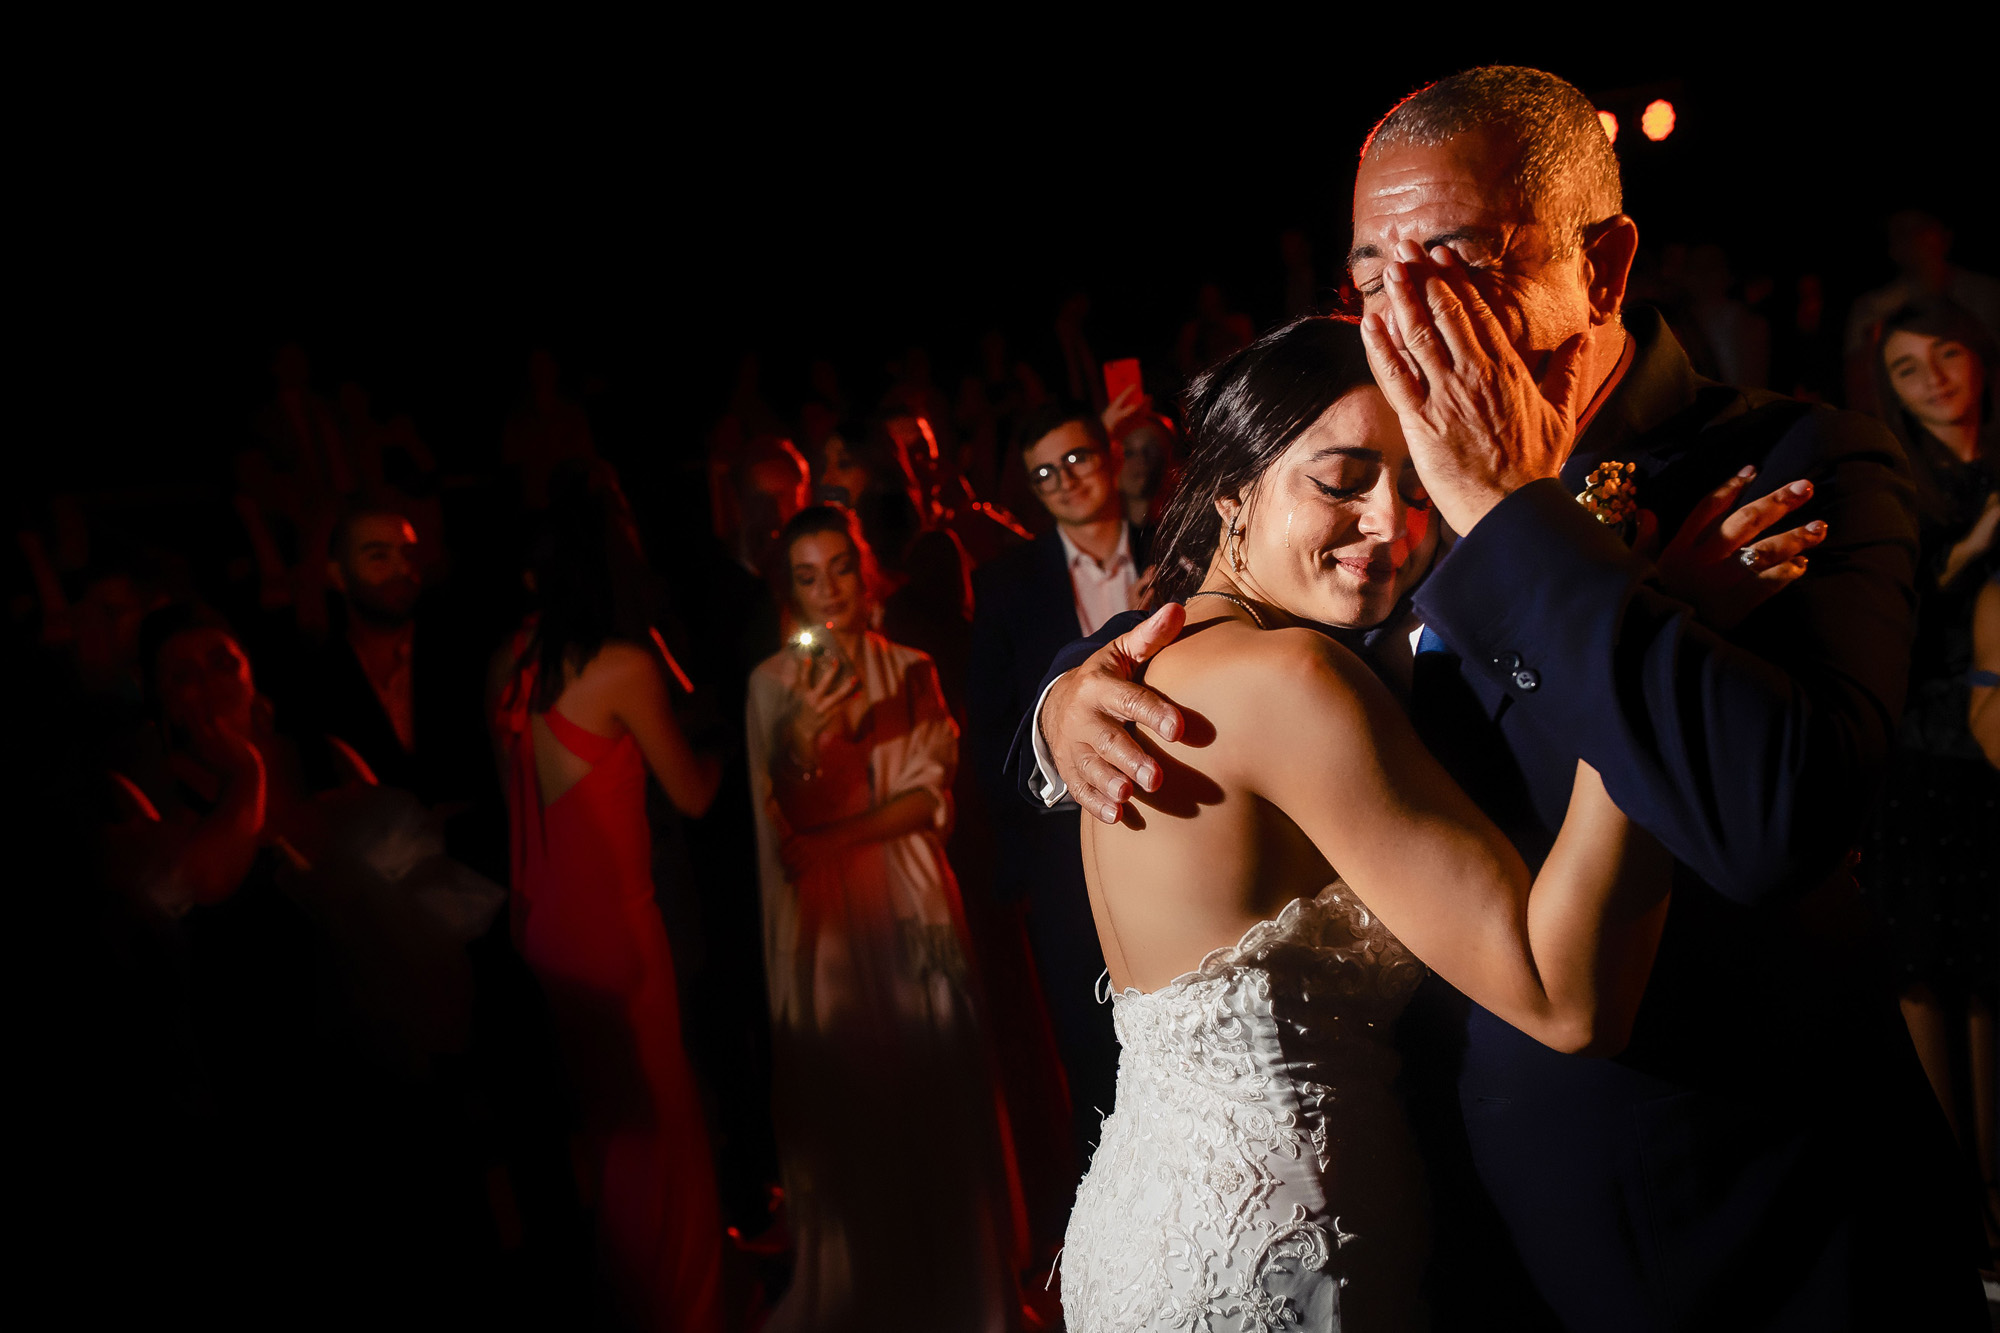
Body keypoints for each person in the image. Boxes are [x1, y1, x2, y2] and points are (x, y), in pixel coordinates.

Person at [1028, 66, 1986, 1329]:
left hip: (1751, 1238)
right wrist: (1055, 711)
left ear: (1602, 266)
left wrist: (1520, 521)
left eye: (1458, 260)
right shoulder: (1390, 492)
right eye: (1371, 272)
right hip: (1452, 1245)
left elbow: (1772, 822)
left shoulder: (1797, 462)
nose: (1405, 310)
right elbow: (1256, 632)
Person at [1061, 313, 1821, 1331]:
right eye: (1342, 480)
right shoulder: (1289, 679)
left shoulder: (1140, 670)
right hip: (1278, 1270)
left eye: (1415, 489)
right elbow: (1566, 1000)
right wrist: (1641, 643)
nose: (1389, 522)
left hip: (1141, 1234)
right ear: (1233, 491)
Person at [746, 505, 1024, 1332]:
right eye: (806, 575)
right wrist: (806, 741)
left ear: (863, 574)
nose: (826, 587)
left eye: (839, 567)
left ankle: (965, 1295)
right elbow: (781, 818)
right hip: (830, 925)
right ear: (788, 591)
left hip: (912, 896)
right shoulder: (769, 684)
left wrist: (831, 836)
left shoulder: (911, 665)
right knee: (856, 1099)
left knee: (939, 1081)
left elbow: (924, 802)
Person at [489, 462, 726, 1331]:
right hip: (615, 925)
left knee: (608, 1132)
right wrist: (734, 749)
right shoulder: (620, 665)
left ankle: (633, 1300)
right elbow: (693, 795)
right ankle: (680, 1309)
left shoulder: (506, 662)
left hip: (542, 921)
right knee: (660, 1134)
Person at [967, 401, 1152, 1187]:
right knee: (1094, 1056)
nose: (1065, 481)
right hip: (1069, 856)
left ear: (1110, 455)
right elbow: (994, 736)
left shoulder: (1177, 544)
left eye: (1077, 459)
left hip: (1187, 817)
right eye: (1045, 473)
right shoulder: (1007, 586)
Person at [1859, 298, 2000, 1256]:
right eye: (1910, 369)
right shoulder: (1904, 480)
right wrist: (1978, 544)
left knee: (1990, 977)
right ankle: (1958, 1212)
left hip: (1992, 743)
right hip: (1927, 747)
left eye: (1946, 355)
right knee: (1931, 972)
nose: (1935, 378)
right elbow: (1898, 617)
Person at [1846, 211, 2000, 414]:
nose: (1914, 239)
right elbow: (1861, 397)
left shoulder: (1988, 295)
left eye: (1922, 227)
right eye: (1902, 232)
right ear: (1892, 247)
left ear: (1946, 236)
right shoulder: (1873, 310)